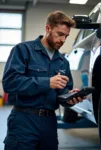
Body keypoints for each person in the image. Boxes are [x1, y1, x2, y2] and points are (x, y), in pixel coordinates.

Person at [2, 11, 85, 150]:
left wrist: (69, 98)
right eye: (60, 34)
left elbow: (62, 92)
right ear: (48, 29)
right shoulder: (23, 50)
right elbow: (10, 83)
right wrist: (47, 82)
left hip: (49, 124)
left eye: (66, 36)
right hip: (24, 120)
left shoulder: (63, 62)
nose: (63, 40)